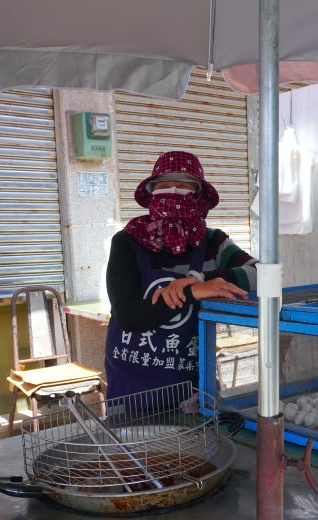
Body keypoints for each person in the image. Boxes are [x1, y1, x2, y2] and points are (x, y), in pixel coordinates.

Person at [105, 151, 256, 399]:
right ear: (152, 194)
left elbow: (261, 274)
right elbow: (127, 315)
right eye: (163, 185)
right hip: (134, 390)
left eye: (184, 185)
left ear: (199, 196)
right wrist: (190, 291)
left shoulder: (213, 242)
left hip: (194, 386)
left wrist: (202, 279)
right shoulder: (127, 241)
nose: (173, 191)